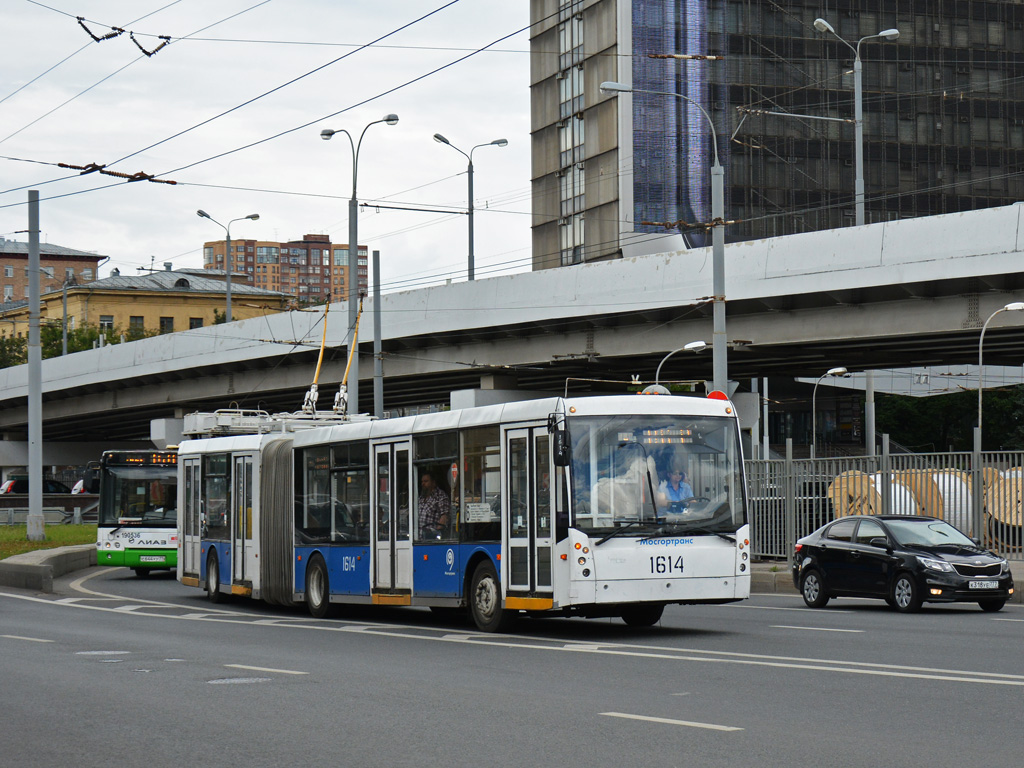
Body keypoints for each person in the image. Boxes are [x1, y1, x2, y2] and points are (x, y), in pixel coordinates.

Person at [418, 471, 450, 538]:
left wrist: (435, 535)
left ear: (433, 483)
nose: (423, 484)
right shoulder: (421, 498)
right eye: (422, 481)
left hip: (430, 540)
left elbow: (444, 518)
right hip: (418, 540)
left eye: (426, 481)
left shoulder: (440, 496)